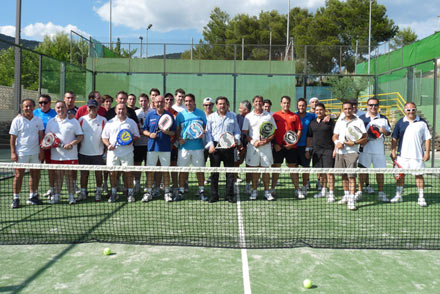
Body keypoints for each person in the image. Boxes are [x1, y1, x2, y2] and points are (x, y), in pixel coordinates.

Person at [391, 102, 431, 207]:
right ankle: (398, 195)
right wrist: (393, 151)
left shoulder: (422, 122)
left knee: (419, 176)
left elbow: (427, 138)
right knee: (400, 176)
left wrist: (427, 152)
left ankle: (421, 198)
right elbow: (394, 138)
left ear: (416, 109)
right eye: (408, 110)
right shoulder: (400, 122)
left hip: (417, 156)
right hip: (402, 156)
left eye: (413, 109)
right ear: (404, 111)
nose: (411, 112)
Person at [45, 101, 84, 205]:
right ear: (55, 109)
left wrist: (71, 144)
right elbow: (48, 137)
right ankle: (57, 196)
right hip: (56, 155)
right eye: (58, 108)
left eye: (62, 107)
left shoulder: (73, 121)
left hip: (70, 155)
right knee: (58, 176)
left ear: (66, 108)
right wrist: (53, 144)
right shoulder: (51, 122)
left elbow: (80, 136)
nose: (60, 110)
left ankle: (71, 196)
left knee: (69, 176)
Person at [9, 99, 45, 208]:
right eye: (26, 106)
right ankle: (16, 198)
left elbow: (41, 137)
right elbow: (12, 138)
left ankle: (33, 196)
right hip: (21, 153)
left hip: (35, 153)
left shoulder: (38, 120)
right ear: (22, 107)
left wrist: (41, 151)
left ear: (34, 107)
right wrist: (13, 153)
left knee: (35, 175)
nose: (28, 108)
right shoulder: (17, 120)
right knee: (19, 175)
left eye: (30, 106)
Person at [102, 103, 140, 203]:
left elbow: (137, 135)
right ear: (115, 111)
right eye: (119, 109)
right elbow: (104, 137)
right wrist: (108, 145)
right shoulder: (109, 122)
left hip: (127, 152)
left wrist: (131, 140)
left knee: (128, 173)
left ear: (126, 111)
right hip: (113, 153)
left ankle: (130, 193)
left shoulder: (131, 122)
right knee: (112, 173)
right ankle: (114, 193)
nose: (121, 111)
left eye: (123, 109)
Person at [332, 101, 367, 210]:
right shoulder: (339, 121)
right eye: (345, 109)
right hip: (340, 152)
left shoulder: (359, 121)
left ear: (353, 109)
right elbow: (334, 136)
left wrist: (355, 143)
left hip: (352, 152)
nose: (347, 111)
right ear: (343, 110)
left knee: (351, 176)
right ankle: (346, 195)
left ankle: (351, 199)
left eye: (349, 109)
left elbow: (365, 138)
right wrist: (336, 142)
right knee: (343, 175)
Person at [205, 96, 241, 203]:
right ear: (216, 105)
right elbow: (208, 133)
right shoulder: (211, 117)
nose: (222, 105)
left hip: (229, 147)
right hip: (215, 147)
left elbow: (237, 131)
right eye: (220, 104)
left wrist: (236, 140)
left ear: (227, 105)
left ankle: (229, 195)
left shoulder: (233, 116)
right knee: (214, 173)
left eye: (224, 103)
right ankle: (214, 195)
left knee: (230, 173)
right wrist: (211, 145)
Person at [356, 97, 392, 202]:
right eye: (371, 105)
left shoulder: (384, 119)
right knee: (362, 171)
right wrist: (363, 140)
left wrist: (384, 131)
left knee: (379, 172)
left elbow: (389, 133)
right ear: (367, 106)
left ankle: (381, 193)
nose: (373, 107)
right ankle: (360, 192)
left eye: (375, 105)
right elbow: (357, 133)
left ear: (378, 106)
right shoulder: (361, 118)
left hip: (379, 151)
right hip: (364, 150)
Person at [142, 95, 176, 202]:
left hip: (165, 148)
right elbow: (144, 130)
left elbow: (173, 132)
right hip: (152, 148)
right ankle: (148, 192)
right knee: (151, 171)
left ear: (164, 103)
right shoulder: (150, 115)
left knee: (165, 171)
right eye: (157, 102)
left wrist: (167, 132)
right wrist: (149, 134)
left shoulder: (169, 116)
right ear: (154, 103)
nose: (159, 104)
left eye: (161, 102)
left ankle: (167, 192)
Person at [242, 95, 276, 200]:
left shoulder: (269, 116)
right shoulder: (248, 116)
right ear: (253, 103)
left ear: (262, 103)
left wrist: (267, 140)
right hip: (253, 148)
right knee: (255, 171)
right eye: (256, 101)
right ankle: (254, 191)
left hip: (266, 148)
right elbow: (245, 132)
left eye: (260, 101)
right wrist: (253, 141)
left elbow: (273, 131)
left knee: (265, 171)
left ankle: (267, 192)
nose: (258, 103)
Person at [175, 93, 207, 201]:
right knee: (183, 170)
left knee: (199, 170)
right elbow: (178, 130)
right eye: (186, 101)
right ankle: (181, 190)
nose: (188, 103)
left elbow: (205, 128)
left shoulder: (201, 114)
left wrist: (203, 133)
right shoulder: (180, 115)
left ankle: (202, 190)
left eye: (190, 101)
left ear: (194, 102)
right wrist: (180, 139)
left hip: (198, 147)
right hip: (184, 148)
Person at [271, 96, 302, 199]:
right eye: (284, 103)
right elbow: (272, 131)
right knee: (276, 168)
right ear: (281, 104)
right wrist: (275, 144)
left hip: (291, 148)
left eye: (288, 103)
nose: (286, 105)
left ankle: (297, 190)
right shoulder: (275, 115)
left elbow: (299, 130)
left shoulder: (295, 116)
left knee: (293, 168)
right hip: (278, 147)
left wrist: (293, 143)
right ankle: (272, 189)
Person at [77, 99, 107, 201]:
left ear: (97, 108)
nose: (92, 109)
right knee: (84, 174)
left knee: (98, 174)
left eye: (94, 107)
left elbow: (106, 136)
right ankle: (83, 191)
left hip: (98, 153)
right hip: (83, 153)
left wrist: (106, 151)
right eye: (90, 107)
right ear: (87, 108)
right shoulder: (81, 120)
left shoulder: (103, 120)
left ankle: (98, 191)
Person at [306, 103, 336, 202]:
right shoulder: (312, 123)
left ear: (324, 110)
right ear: (314, 111)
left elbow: (336, 135)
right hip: (316, 151)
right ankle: (323, 190)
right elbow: (309, 137)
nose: (319, 112)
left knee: (329, 172)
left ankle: (331, 193)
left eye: (321, 110)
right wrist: (308, 149)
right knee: (321, 172)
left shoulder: (330, 122)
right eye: (317, 110)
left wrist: (335, 149)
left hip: (328, 150)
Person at [33, 94, 57, 198]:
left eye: (45, 102)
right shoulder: (34, 113)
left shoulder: (55, 114)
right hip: (36, 147)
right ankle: (34, 192)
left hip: (51, 148)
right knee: (36, 169)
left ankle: (52, 189)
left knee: (51, 169)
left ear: (49, 103)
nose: (43, 104)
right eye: (40, 102)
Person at [296, 98, 317, 195]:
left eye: (303, 105)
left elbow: (322, 116)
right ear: (297, 106)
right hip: (294, 147)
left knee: (305, 167)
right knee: (294, 168)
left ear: (306, 106)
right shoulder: (294, 115)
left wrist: (327, 117)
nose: (301, 107)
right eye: (300, 105)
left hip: (306, 147)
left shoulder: (311, 116)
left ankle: (304, 186)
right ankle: (297, 188)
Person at [133, 93, 150, 193]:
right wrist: (141, 132)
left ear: (148, 101)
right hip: (138, 144)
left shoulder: (152, 112)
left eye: (145, 100)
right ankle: (137, 183)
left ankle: (149, 184)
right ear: (139, 102)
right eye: (141, 101)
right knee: (137, 165)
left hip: (149, 144)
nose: (143, 103)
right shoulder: (136, 113)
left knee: (149, 165)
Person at [164, 92, 180, 197]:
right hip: (162, 146)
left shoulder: (176, 114)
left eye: (171, 100)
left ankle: (175, 187)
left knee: (173, 167)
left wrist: (173, 142)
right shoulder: (160, 113)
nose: (169, 101)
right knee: (163, 168)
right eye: (167, 100)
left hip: (173, 146)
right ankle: (165, 188)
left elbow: (178, 130)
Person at [235, 100, 251, 193]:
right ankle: (234, 182)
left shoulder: (252, 118)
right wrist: (239, 145)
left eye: (241, 108)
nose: (239, 109)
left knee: (249, 166)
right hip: (239, 146)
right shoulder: (237, 117)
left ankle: (248, 185)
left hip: (251, 147)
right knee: (237, 163)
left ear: (246, 110)